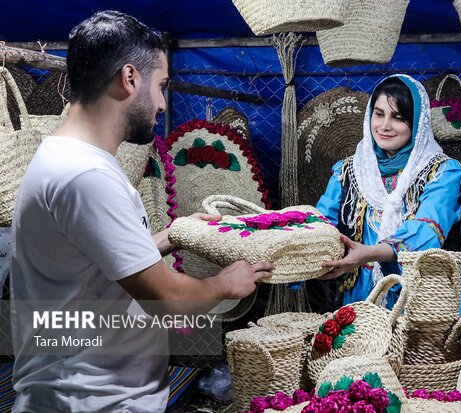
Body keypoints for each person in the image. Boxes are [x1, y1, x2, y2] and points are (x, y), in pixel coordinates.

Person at [10, 10, 273, 413]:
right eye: (161, 86)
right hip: (88, 401)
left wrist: (172, 235)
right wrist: (226, 283)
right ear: (130, 78)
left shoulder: (72, 157)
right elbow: (168, 299)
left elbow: (94, 264)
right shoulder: (85, 174)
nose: (164, 103)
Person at [316, 74, 461, 320]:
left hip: (427, 300)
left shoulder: (443, 172)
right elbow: (320, 222)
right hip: (363, 297)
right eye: (379, 114)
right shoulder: (349, 171)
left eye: (398, 117)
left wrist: (366, 253)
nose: (384, 126)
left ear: (417, 123)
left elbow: (427, 234)